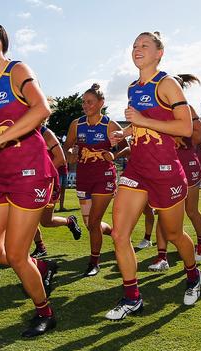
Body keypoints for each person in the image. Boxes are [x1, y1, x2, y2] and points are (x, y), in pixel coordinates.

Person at [0, 14, 58, 337]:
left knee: (19, 255)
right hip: (1, 174)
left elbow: (41, 109)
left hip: (30, 173)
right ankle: (42, 266)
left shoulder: (17, 70)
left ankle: (45, 312)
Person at [104, 31, 201, 320]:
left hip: (166, 170)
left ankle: (192, 273)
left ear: (159, 53)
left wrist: (141, 120)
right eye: (134, 45)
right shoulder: (134, 87)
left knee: (173, 233)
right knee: (120, 235)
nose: (137, 49)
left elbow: (186, 128)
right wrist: (124, 133)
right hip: (137, 169)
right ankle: (132, 297)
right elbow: (141, 125)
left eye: (145, 45)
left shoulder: (168, 84)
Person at [63, 83, 128, 276]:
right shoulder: (77, 124)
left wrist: (114, 156)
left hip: (104, 178)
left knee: (94, 221)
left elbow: (129, 148)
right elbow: (66, 147)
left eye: (89, 102)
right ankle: (116, 234)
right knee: (91, 224)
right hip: (83, 178)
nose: (85, 105)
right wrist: (71, 154)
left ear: (101, 103)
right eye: (83, 102)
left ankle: (94, 262)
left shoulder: (110, 125)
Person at [148, 74, 201, 271]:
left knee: (191, 210)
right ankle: (161, 257)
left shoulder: (188, 109)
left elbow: (199, 135)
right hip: (166, 163)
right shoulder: (158, 110)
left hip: (187, 163)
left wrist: (177, 132)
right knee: (162, 211)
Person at [30, 124, 82, 259]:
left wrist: (40, 175)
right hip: (28, 183)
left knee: (46, 222)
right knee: (28, 217)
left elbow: (61, 159)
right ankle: (40, 247)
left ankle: (69, 222)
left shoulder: (45, 132)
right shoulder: (19, 130)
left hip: (48, 182)